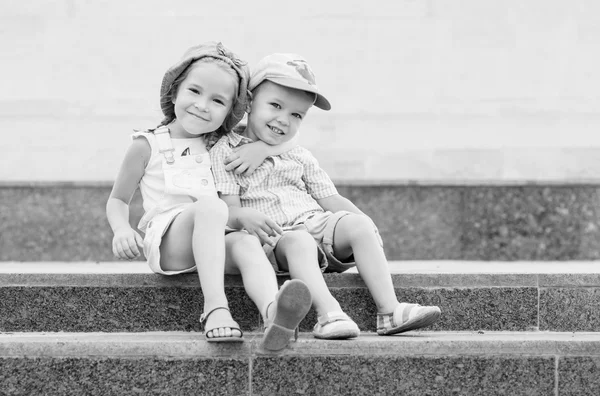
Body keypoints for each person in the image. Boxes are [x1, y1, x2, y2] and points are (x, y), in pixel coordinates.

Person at [210, 53, 441, 340]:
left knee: (357, 224)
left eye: (296, 115)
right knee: (300, 240)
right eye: (276, 106)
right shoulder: (225, 151)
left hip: (317, 226)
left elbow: (331, 200)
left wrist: (365, 224)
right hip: (278, 238)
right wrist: (244, 215)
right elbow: (228, 209)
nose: (284, 120)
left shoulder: (299, 155)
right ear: (249, 100)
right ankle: (328, 313)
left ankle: (389, 311)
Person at [106, 42, 311, 350]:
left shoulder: (225, 142)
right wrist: (122, 229)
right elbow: (118, 200)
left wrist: (262, 147)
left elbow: (282, 137)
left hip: (214, 238)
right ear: (175, 92)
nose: (203, 105)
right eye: (195, 92)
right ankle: (215, 308)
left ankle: (274, 314)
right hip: (170, 242)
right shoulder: (146, 145)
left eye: (217, 100)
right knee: (212, 207)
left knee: (245, 242)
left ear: (231, 112)